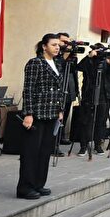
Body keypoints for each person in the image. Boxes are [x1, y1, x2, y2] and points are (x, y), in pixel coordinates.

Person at [17, 34, 67, 199]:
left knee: (45, 151)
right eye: (54, 45)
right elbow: (29, 89)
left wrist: (60, 110)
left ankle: (39, 183)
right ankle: (25, 187)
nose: (57, 47)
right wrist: (28, 113)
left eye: (58, 45)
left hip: (51, 113)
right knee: (31, 151)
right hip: (37, 113)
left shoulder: (57, 64)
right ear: (44, 46)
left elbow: (59, 90)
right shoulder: (35, 63)